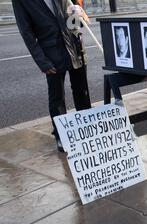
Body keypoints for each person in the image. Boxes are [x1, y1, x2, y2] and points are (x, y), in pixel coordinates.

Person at [12, 0, 91, 152]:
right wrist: (43, 62)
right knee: (57, 98)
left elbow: (77, 19)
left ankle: (86, 130)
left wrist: (78, 12)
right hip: (51, 54)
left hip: (75, 47)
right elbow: (26, 33)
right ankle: (61, 135)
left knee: (82, 92)